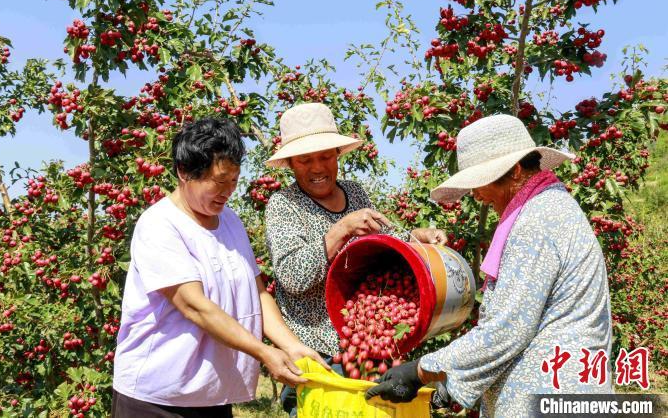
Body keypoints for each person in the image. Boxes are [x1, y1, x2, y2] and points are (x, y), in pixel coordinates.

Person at [366, 114, 613, 417]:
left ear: (516, 171)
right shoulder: (550, 205)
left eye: (479, 182)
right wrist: (451, 380)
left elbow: (508, 329)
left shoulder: (535, 222)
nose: (476, 196)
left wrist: (421, 370)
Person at [112, 117, 327, 418]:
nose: (228, 191)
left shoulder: (230, 222)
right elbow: (195, 306)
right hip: (158, 398)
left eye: (234, 181)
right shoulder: (159, 225)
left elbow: (257, 292)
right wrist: (265, 353)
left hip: (212, 396)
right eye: (219, 181)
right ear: (184, 172)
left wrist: (291, 345)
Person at [263, 102, 446, 416]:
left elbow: (380, 246)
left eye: (325, 156)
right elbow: (292, 276)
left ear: (338, 155)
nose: (318, 168)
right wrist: (340, 230)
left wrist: (416, 237)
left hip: (370, 347)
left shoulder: (355, 193)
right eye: (305, 160)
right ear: (292, 164)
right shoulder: (284, 205)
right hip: (316, 361)